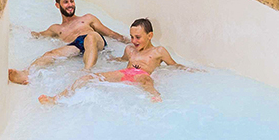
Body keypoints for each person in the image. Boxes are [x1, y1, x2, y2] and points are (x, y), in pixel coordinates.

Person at [38, 17, 189, 104]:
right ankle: (57, 99)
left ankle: (156, 97)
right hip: (125, 73)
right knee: (87, 78)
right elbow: (121, 60)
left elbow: (174, 66)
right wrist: (110, 59)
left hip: (142, 76)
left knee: (145, 79)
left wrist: (190, 70)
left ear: (150, 36)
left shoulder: (159, 51)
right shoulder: (130, 49)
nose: (134, 40)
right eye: (132, 37)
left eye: (138, 37)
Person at [7, 0, 130, 84]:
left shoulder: (87, 18)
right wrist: (15, 28)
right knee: (50, 54)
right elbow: (36, 35)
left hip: (95, 40)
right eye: (66, 2)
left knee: (90, 38)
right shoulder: (56, 28)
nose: (70, 5)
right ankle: (27, 74)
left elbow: (111, 34)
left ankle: (87, 73)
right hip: (76, 45)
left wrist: (130, 41)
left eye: (72, 1)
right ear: (57, 5)